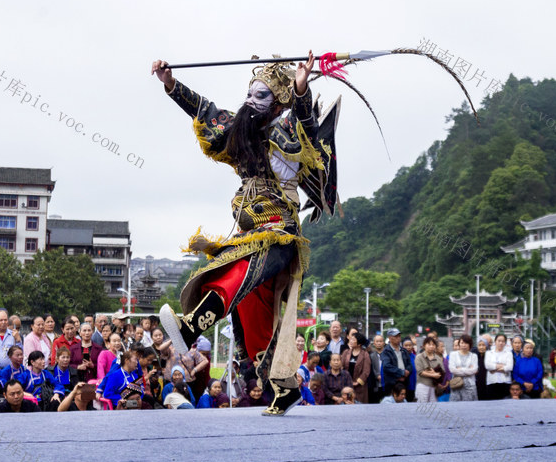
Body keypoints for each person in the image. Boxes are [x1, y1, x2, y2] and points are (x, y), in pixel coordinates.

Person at [153, 51, 338, 416]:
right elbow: (205, 111)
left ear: (278, 103)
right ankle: (281, 387)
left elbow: (309, 128)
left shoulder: (288, 130)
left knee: (234, 273)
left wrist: (300, 90)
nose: (252, 101)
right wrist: (172, 85)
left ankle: (191, 329)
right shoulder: (241, 132)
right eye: (250, 93)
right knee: (251, 315)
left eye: (262, 95)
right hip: (248, 232)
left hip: (280, 235)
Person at [341, 332, 371, 404]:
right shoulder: (346, 352)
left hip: (359, 386)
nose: (351, 341)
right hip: (346, 384)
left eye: (353, 340)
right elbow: (341, 367)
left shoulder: (365, 354)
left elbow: (366, 371)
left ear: (359, 344)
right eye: (351, 339)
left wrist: (358, 382)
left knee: (358, 405)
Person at [447, 334, 478, 402]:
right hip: (457, 385)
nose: (464, 345)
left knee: (470, 407)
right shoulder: (453, 354)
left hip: (470, 386)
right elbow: (452, 369)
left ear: (470, 344)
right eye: (462, 343)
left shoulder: (474, 356)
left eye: (466, 343)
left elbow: (474, 370)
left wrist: (459, 369)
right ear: (459, 344)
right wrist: (468, 370)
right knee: (456, 408)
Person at [414, 337, 444, 403]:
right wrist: (434, 374)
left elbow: (442, 372)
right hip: (422, 385)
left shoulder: (438, 358)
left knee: (433, 406)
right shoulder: (419, 357)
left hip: (434, 386)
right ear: (424, 345)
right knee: (422, 406)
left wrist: (436, 373)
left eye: (433, 345)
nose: (431, 346)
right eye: (429, 344)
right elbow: (420, 372)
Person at [485, 333, 514, 400]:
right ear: (495, 342)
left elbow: (509, 367)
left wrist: (494, 369)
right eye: (499, 341)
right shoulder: (489, 353)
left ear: (505, 343)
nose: (501, 343)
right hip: (492, 382)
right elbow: (488, 366)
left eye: (503, 341)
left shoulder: (508, 353)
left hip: (505, 382)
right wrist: (503, 366)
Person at [368, 334, 385, 404]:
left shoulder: (388, 354)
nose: (379, 343)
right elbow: (371, 368)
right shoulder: (371, 356)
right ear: (374, 343)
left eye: (380, 341)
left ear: (383, 343)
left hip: (386, 383)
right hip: (375, 384)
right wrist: (377, 375)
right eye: (377, 341)